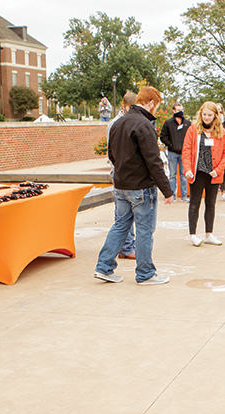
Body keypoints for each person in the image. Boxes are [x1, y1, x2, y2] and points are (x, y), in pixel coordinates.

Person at [94, 86, 174, 285]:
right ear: (151, 103)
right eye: (156, 106)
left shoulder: (118, 123)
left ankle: (104, 267)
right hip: (140, 187)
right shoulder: (144, 124)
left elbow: (111, 155)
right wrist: (167, 189)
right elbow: (153, 161)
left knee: (120, 225)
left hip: (121, 184)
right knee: (145, 229)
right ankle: (145, 273)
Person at [182, 101, 225, 247]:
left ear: (215, 115)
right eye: (204, 114)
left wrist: (218, 170)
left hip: (214, 173)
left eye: (210, 115)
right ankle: (193, 234)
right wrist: (188, 169)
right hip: (197, 172)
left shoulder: (221, 131)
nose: (207, 118)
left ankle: (209, 234)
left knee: (211, 204)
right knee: (194, 203)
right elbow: (186, 151)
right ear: (200, 114)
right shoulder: (193, 129)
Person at [106, 92, 136, 260]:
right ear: (124, 106)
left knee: (126, 212)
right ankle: (125, 247)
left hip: (123, 172)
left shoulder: (121, 122)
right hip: (120, 173)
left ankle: (126, 246)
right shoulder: (116, 124)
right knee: (122, 214)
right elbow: (113, 151)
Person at [160, 103, 190, 203]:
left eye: (181, 109)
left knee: (183, 175)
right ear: (173, 110)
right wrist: (171, 145)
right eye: (177, 109)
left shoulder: (187, 123)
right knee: (172, 175)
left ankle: (184, 195)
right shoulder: (168, 123)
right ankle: (172, 194)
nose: (180, 111)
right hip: (172, 152)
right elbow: (163, 136)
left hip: (184, 153)